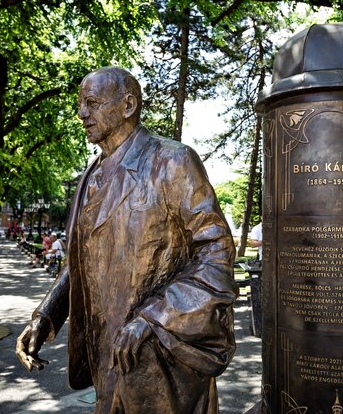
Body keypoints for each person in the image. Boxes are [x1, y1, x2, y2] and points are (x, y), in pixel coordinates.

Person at [16, 66, 237, 414]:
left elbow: (216, 250)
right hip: (105, 352)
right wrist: (46, 315)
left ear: (128, 105)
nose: (82, 113)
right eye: (80, 104)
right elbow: (82, 260)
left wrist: (155, 318)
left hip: (159, 355)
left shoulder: (172, 161)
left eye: (92, 103)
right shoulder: (90, 176)